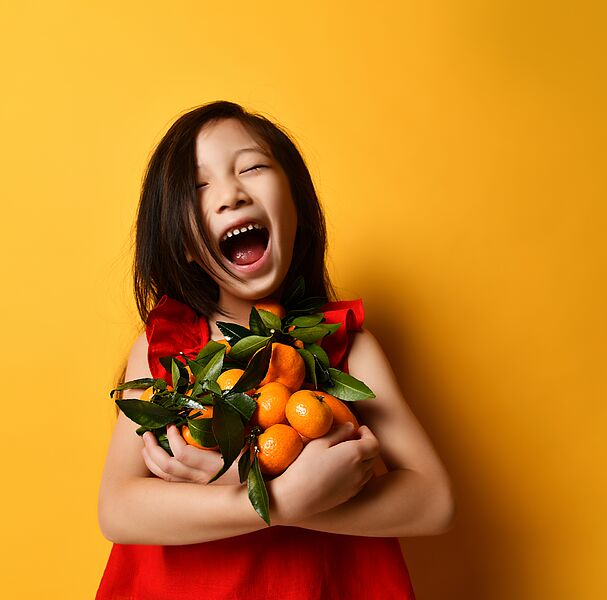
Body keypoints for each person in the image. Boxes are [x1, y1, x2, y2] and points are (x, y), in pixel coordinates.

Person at [96, 100, 454, 599]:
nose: (230, 194)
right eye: (199, 187)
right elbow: (118, 509)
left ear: (297, 208)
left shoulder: (344, 348)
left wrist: (256, 484)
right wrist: (278, 499)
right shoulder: (168, 348)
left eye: (252, 167)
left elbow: (434, 502)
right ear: (184, 245)